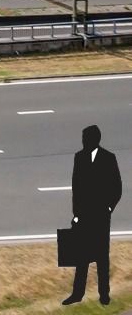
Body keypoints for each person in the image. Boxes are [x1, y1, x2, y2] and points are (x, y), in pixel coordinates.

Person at [67, 124, 121, 305]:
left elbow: (117, 187)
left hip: (100, 217)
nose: (83, 142)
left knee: (101, 258)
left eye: (85, 138)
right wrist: (76, 213)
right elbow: (76, 187)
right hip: (84, 216)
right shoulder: (79, 157)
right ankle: (77, 294)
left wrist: (108, 208)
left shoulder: (108, 158)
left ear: (94, 139)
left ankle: (104, 295)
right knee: (81, 258)